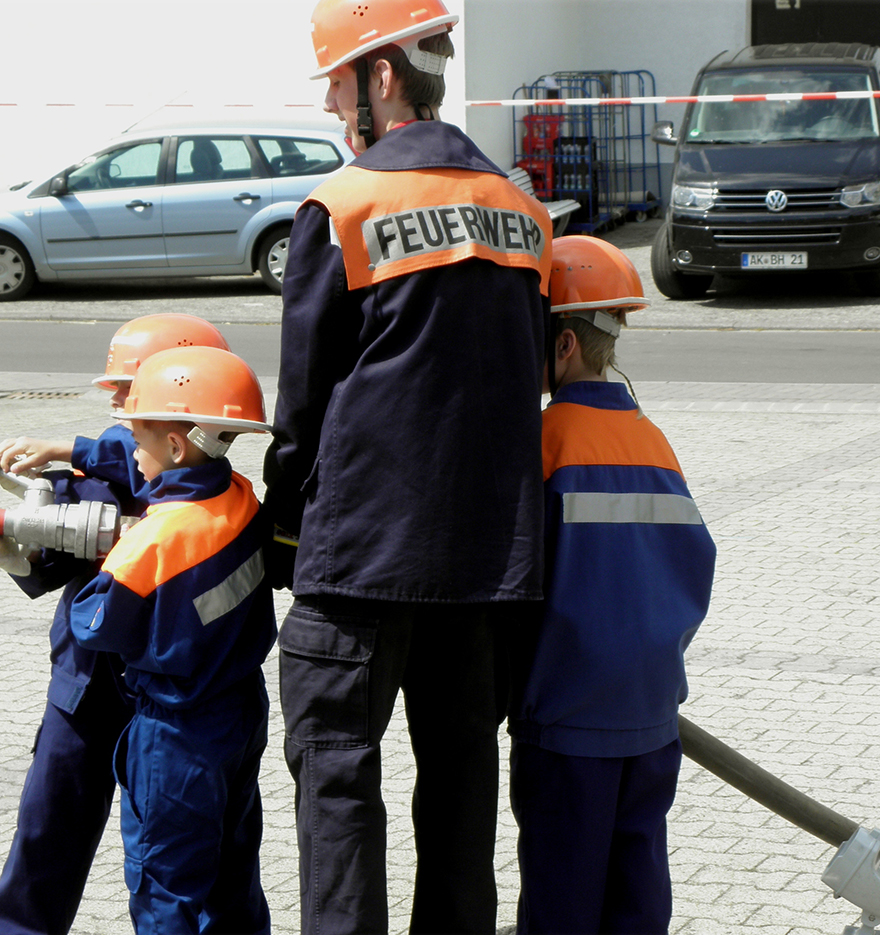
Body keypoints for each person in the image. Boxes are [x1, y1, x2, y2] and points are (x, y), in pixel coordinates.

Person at [261, 1, 553, 931]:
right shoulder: (522, 211)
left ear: (382, 77)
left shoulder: (343, 206)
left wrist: (280, 530)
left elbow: (302, 404)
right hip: (484, 569)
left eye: (336, 83)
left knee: (338, 787)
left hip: (356, 565)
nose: (329, 106)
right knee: (463, 788)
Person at [0, 313, 231, 935]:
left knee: (189, 863)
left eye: (129, 386)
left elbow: (133, 472)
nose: (117, 400)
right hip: (84, 688)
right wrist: (14, 552)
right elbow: (52, 557)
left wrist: (65, 450)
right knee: (46, 838)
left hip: (176, 705)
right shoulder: (107, 463)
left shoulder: (207, 490)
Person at [507, 236, 717, 935]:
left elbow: (512, 586)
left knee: (563, 902)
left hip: (567, 721)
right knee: (637, 894)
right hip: (650, 717)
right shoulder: (653, 441)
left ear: (563, 344)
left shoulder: (544, 441)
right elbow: (693, 563)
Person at [69, 345, 277, 934]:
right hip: (239, 711)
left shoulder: (154, 540)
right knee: (233, 873)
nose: (133, 453)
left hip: (176, 733)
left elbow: (95, 624)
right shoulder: (241, 499)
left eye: (137, 438)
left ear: (177, 446)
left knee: (166, 886)